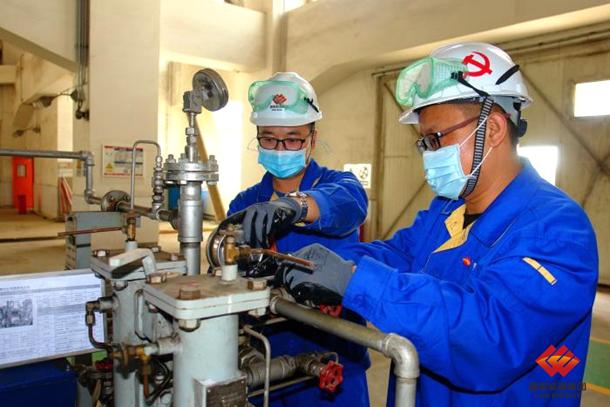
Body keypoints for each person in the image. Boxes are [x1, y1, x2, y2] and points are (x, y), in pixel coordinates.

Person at [277, 43, 598, 406]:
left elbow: (489, 339)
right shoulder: (447, 210)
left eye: (436, 139)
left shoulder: (557, 230)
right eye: (424, 143)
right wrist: (312, 263)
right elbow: (395, 255)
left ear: (493, 129)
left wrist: (356, 283)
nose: (429, 156)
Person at [227, 72, 371, 406]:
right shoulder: (245, 204)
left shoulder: (340, 185)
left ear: (312, 139)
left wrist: (297, 206)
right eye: (269, 139)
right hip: (265, 362)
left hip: (334, 365)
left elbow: (351, 205)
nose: (280, 149)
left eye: (292, 139)